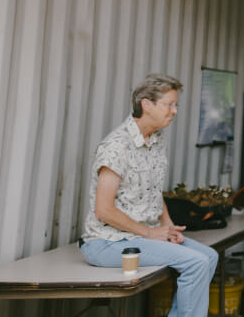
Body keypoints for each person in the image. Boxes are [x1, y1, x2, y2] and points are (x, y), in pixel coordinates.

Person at [80, 74, 218, 317]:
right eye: (169, 104)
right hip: (109, 242)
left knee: (209, 256)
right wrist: (150, 233)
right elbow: (104, 210)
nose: (174, 111)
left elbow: (153, 191)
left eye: (176, 105)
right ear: (146, 104)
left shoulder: (157, 140)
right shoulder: (117, 146)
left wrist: (169, 227)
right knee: (196, 263)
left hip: (142, 237)